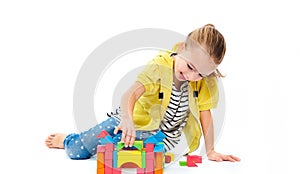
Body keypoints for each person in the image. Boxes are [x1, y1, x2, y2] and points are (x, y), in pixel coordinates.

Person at [45, 24, 240, 162]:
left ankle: (113, 146)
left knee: (134, 157)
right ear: (182, 48)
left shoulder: (204, 82)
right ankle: (69, 140)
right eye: (189, 66)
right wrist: (127, 121)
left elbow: (205, 113)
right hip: (128, 119)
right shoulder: (159, 67)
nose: (192, 75)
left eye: (201, 73)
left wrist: (211, 150)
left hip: (159, 136)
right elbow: (130, 94)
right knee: (78, 151)